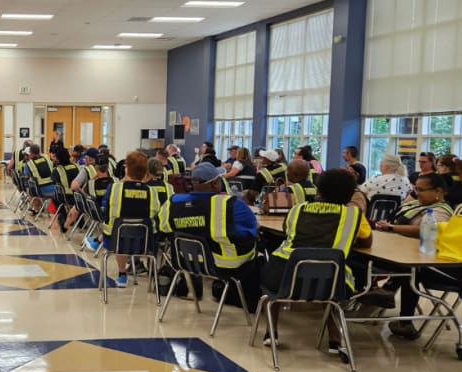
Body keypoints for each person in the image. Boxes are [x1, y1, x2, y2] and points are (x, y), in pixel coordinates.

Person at [262, 168, 372, 355]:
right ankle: (334, 339)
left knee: (277, 284)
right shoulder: (353, 215)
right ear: (350, 195)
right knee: (325, 280)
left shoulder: (297, 210)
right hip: (331, 281)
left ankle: (271, 332)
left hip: (283, 276)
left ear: (318, 190)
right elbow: (367, 241)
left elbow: (288, 232)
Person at [158, 162, 261, 312]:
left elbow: (162, 228)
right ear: (214, 184)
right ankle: (251, 302)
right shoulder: (231, 205)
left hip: (186, 262)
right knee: (260, 251)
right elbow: (254, 228)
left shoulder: (173, 203)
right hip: (224, 265)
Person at [375, 174, 455, 340]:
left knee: (409, 271)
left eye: (420, 190)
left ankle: (401, 316)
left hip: (427, 261)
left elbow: (424, 230)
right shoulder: (416, 204)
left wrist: (392, 228)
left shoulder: (440, 211)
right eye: (415, 189)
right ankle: (377, 293)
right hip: (400, 251)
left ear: (438, 191)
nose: (416, 193)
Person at [88, 152, 161, 287]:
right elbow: (156, 214)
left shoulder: (115, 188)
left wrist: (123, 180)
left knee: (118, 232)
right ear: (145, 171)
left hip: (116, 241)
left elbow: (105, 210)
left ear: (127, 169)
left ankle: (122, 274)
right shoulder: (152, 192)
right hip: (145, 243)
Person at [51, 148, 79, 232]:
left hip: (66, 197)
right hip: (78, 197)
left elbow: (53, 180)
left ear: (58, 159)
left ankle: (63, 218)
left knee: (55, 198)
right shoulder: (76, 166)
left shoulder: (58, 170)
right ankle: (80, 223)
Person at [23, 143, 56, 213]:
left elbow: (26, 177)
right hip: (55, 189)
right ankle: (41, 208)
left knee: (30, 188)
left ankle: (36, 208)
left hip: (40, 191)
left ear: (30, 153)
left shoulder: (28, 164)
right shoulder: (47, 159)